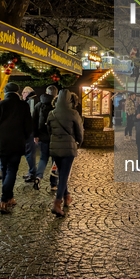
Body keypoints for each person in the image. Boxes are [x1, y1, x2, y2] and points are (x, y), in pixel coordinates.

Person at [0, 83, 32, 214]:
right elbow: (29, 127)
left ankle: (9, 197)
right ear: (17, 92)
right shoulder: (23, 105)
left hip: (2, 143)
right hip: (17, 143)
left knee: (4, 170)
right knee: (12, 170)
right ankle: (5, 199)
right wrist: (22, 136)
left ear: (5, 92)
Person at [47, 89, 84, 217]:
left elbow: (49, 131)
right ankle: (57, 203)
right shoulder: (73, 113)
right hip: (69, 148)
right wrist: (78, 144)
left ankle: (67, 196)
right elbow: (80, 132)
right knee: (64, 175)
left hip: (55, 148)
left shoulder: (52, 113)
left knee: (62, 172)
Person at [33, 85, 59, 191]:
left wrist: (35, 135)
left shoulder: (39, 105)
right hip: (55, 137)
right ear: (56, 94)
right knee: (55, 161)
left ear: (46, 92)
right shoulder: (57, 106)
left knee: (43, 159)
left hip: (42, 137)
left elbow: (34, 121)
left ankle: (38, 177)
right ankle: (53, 184)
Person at [21, 86, 38, 182]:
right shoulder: (34, 99)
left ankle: (32, 173)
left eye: (23, 92)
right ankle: (32, 172)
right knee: (30, 153)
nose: (22, 94)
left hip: (30, 131)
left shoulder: (31, 101)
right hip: (32, 131)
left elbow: (31, 117)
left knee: (29, 153)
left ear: (28, 93)